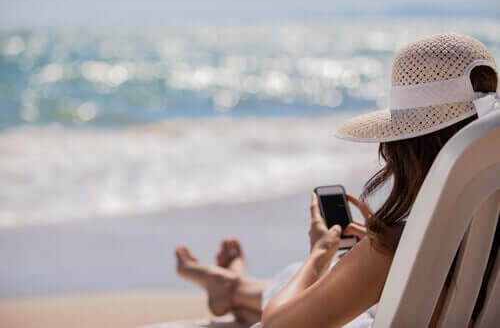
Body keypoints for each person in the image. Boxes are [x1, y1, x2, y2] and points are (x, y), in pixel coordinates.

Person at [175, 33, 499, 327]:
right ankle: (231, 288)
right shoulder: (480, 238)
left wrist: (318, 255)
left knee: (312, 280)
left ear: (404, 148)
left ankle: (232, 287)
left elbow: (278, 325)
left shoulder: (392, 254)